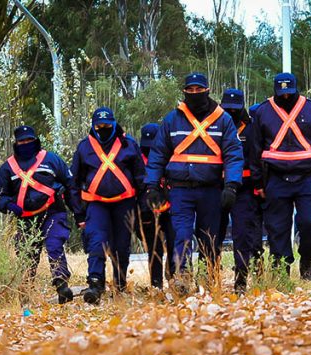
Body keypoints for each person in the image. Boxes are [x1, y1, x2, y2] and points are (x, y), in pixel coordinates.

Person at [145, 72, 244, 293]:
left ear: (207, 90)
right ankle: (182, 278)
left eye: (198, 90)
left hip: (211, 189)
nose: (194, 94)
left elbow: (234, 155)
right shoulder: (172, 119)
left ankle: (209, 278)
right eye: (190, 90)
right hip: (180, 190)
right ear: (184, 92)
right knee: (181, 234)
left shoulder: (223, 120)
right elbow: (158, 154)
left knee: (209, 238)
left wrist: (232, 185)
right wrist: (152, 186)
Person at [249, 72, 311, 280]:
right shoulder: (262, 111)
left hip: (308, 177)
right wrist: (258, 182)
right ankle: (282, 270)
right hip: (275, 178)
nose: (285, 97)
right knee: (277, 228)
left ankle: (306, 258)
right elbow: (254, 149)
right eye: (281, 93)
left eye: (289, 92)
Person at [0, 124, 77, 304]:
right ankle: (25, 296)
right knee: (26, 256)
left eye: (29, 140)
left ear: (36, 140)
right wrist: (9, 205)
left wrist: (79, 212)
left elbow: (71, 184)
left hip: (53, 212)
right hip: (25, 219)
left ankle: (62, 285)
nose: (26, 143)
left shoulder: (51, 159)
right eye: (22, 141)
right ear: (16, 143)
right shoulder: (7, 168)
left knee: (54, 245)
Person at [70, 107, 144, 302]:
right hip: (96, 205)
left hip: (125, 204)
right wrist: (78, 214)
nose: (102, 128)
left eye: (106, 125)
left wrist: (143, 206)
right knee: (96, 243)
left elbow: (141, 177)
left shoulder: (129, 145)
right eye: (98, 125)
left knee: (122, 246)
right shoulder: (84, 147)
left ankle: (119, 284)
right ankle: (95, 285)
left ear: (114, 124)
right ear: (93, 126)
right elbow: (73, 182)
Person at [218, 88, 264, 293]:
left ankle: (242, 279)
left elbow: (257, 157)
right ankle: (208, 276)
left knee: (244, 235)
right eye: (228, 109)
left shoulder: (252, 128)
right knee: (212, 233)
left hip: (245, 189)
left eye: (235, 109)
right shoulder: (214, 125)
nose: (231, 113)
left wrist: (257, 184)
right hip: (218, 186)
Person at [137, 122, 175, 289]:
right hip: (146, 212)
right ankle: (156, 284)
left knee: (175, 242)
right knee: (154, 248)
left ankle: (174, 278)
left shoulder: (170, 154)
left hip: (171, 208)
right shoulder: (136, 160)